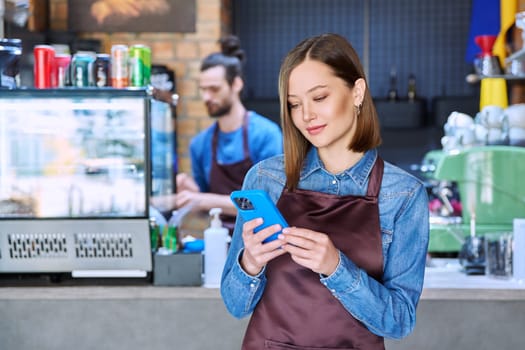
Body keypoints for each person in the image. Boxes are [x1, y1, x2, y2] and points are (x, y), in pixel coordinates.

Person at [220, 33, 429, 349]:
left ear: (356, 92)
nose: (306, 116)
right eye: (294, 104)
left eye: (319, 98)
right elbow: (235, 306)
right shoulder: (265, 178)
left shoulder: (402, 195)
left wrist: (336, 267)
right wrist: (251, 262)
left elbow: (399, 321)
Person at [175, 35, 283, 230]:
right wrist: (190, 192)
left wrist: (203, 199)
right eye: (203, 89)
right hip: (219, 241)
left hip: (265, 243)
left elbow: (270, 203)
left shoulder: (265, 135)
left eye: (214, 89)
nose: (206, 97)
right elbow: (203, 207)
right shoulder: (200, 144)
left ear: (236, 84)